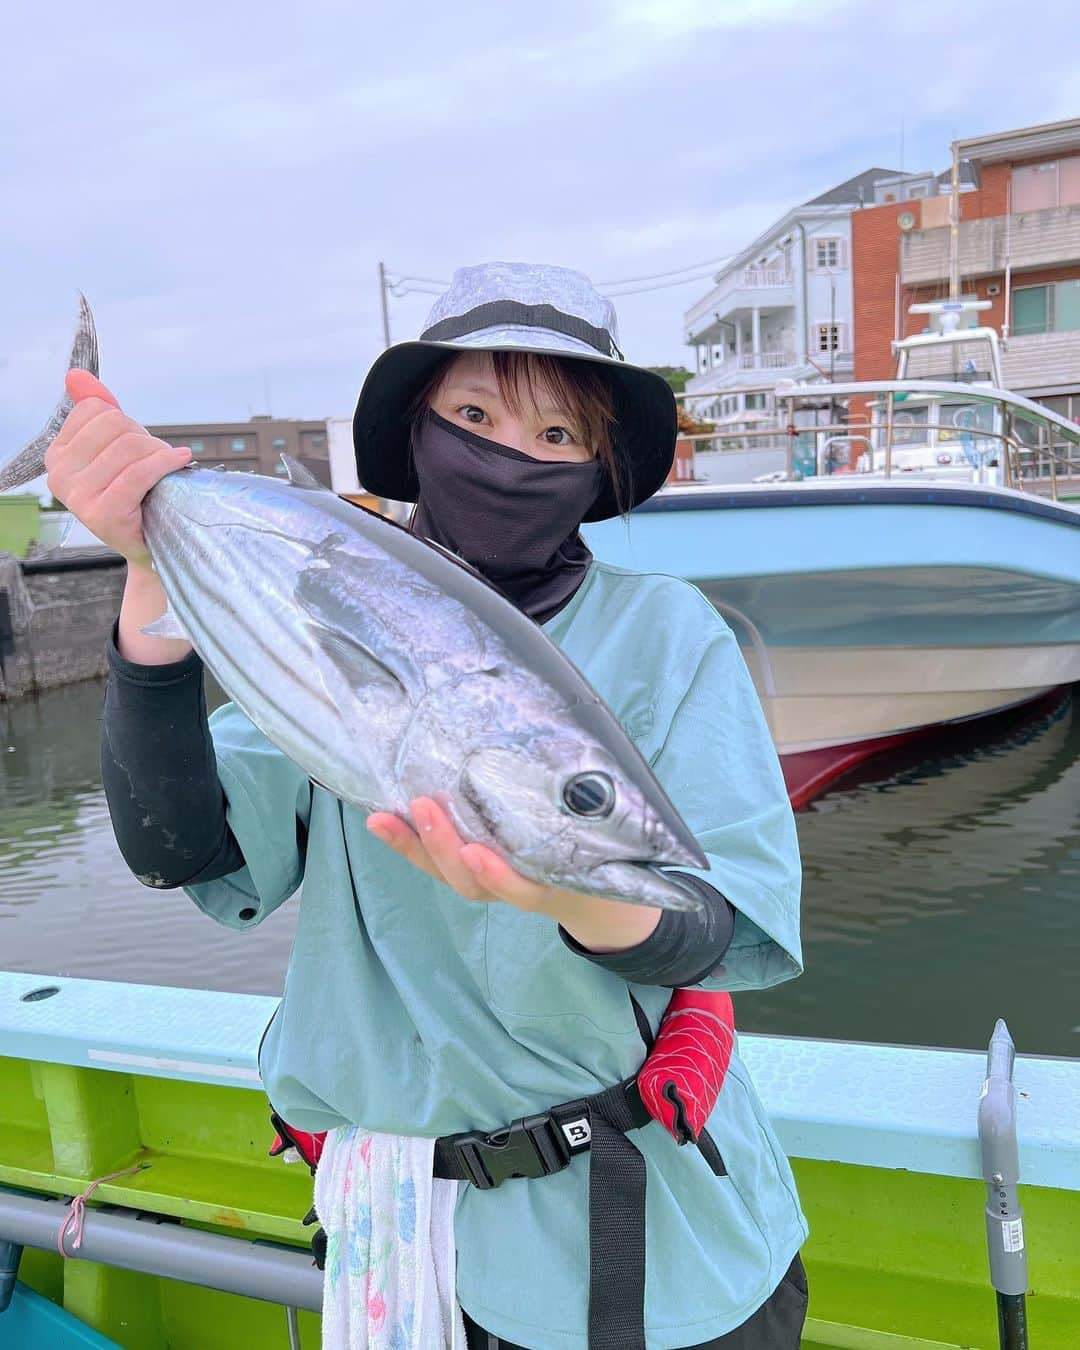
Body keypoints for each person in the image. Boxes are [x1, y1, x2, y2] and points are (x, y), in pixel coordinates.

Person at [46, 262, 807, 1349]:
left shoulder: (670, 634)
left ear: (602, 470)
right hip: (396, 1237)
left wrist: (574, 896)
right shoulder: (320, 605)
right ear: (417, 429)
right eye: (473, 414)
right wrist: (150, 584)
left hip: (649, 1245)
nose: (511, 455)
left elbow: (726, 920)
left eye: (557, 435)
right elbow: (181, 843)